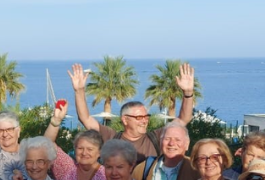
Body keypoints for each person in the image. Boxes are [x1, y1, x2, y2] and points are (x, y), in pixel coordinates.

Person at [68, 62, 196, 165]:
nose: (145, 120)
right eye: (139, 117)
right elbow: (85, 118)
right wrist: (79, 91)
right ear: (125, 120)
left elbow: (183, 119)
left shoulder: (156, 138)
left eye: (146, 116)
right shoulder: (112, 137)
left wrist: (188, 93)